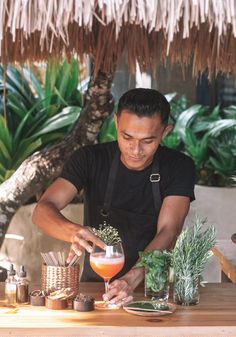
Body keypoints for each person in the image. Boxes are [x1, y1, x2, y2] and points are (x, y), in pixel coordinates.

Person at [32, 88, 195, 307]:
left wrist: (132, 278)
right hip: (96, 288)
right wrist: (73, 232)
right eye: (127, 137)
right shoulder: (89, 159)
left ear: (165, 132)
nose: (135, 149)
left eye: (148, 140)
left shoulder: (178, 167)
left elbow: (169, 230)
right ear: (117, 123)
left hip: (153, 291)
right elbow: (42, 211)